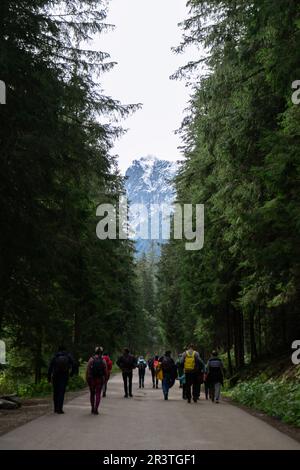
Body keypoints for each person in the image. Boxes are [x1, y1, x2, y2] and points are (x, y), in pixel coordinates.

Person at [48, 345, 75, 414]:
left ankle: (55, 408)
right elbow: (74, 364)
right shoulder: (68, 356)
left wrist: (48, 378)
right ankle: (60, 409)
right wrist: (71, 373)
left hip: (55, 375)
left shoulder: (55, 356)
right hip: (64, 375)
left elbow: (50, 367)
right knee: (61, 392)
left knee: (55, 392)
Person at [86, 346, 108, 415]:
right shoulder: (103, 360)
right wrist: (105, 379)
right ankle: (96, 409)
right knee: (98, 394)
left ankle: (92, 408)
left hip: (92, 379)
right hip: (99, 379)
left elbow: (87, 370)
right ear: (101, 352)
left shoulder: (91, 359)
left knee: (92, 394)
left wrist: (87, 378)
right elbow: (105, 371)